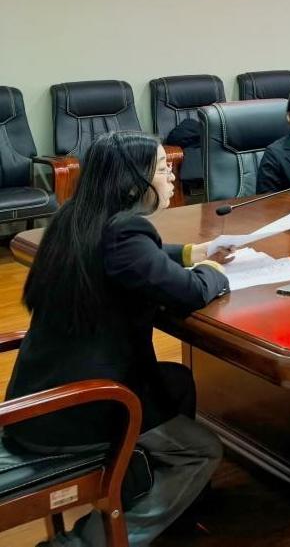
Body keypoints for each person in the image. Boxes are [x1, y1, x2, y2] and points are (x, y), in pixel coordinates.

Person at [5, 132, 231, 547]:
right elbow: (190, 292)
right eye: (162, 169)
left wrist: (191, 254)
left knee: (177, 382)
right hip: (81, 407)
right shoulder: (124, 232)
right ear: (132, 183)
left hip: (39, 395)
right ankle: (86, 542)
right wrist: (214, 272)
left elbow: (136, 256)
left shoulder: (75, 218)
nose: (172, 176)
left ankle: (170, 500)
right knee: (202, 451)